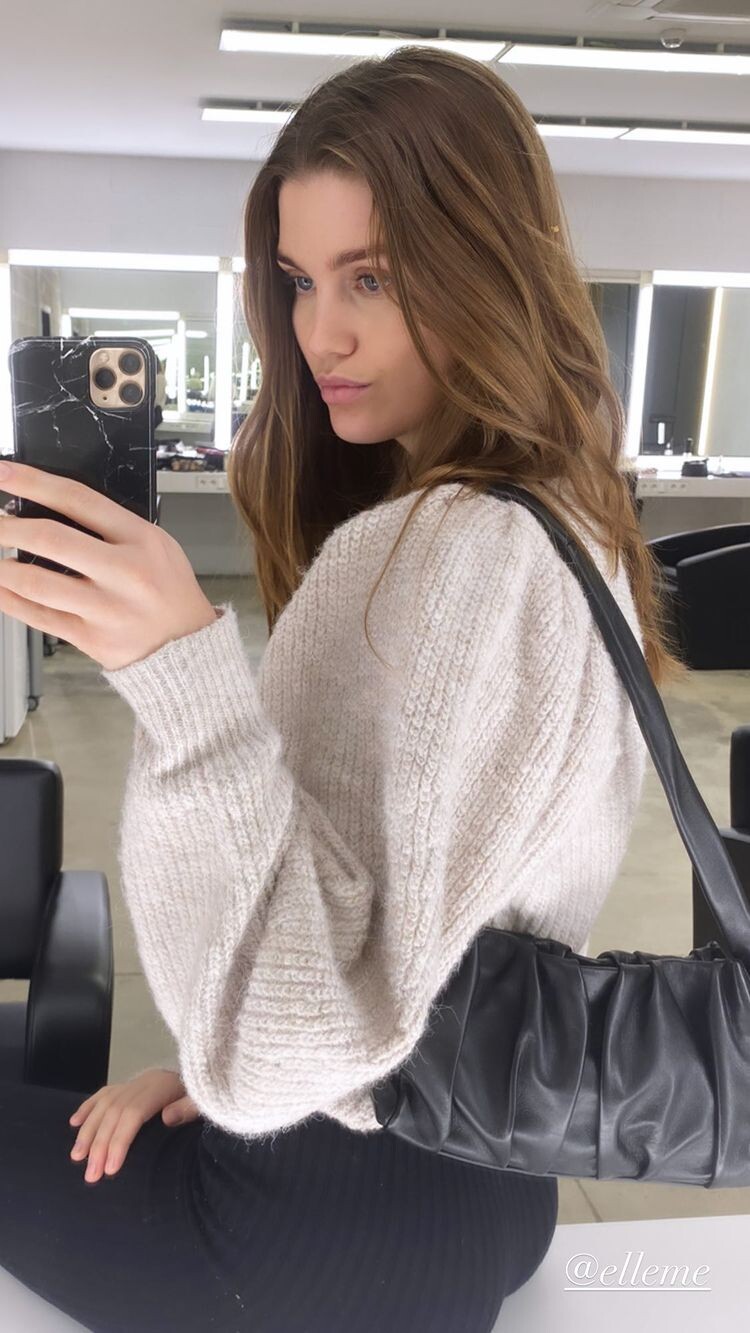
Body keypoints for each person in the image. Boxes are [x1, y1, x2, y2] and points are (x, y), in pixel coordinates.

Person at [0, 45, 686, 1333]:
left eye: (373, 277)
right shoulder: (570, 522)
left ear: (487, 263)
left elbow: (299, 1041)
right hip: (497, 1182)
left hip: (313, 1243)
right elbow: (396, 956)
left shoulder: (430, 554)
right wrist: (216, 1073)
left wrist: (183, 678)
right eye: (301, 281)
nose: (323, 332)